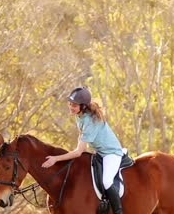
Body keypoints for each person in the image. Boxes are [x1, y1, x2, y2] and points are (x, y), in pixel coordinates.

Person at [42, 86, 124, 214]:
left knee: (107, 181)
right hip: (99, 153)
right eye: (70, 103)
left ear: (83, 106)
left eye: (74, 105)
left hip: (111, 153)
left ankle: (118, 211)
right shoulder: (79, 115)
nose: (71, 107)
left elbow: (79, 151)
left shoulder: (90, 120)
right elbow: (81, 140)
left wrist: (55, 159)